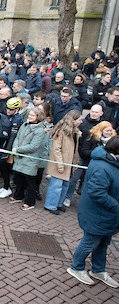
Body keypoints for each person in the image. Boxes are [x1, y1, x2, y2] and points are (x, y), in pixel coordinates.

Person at [66, 137, 119, 288]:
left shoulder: (110, 163)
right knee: (90, 241)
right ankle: (76, 267)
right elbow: (97, 192)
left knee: (103, 242)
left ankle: (98, 270)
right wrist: (116, 206)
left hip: (106, 215)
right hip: (97, 213)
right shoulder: (103, 167)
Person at [65, 119, 114, 207]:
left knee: (89, 183)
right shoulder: (91, 137)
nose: (109, 132)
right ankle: (68, 197)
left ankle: (85, 201)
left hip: (99, 166)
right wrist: (99, 154)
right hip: (85, 162)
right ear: (101, 130)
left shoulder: (113, 141)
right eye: (107, 130)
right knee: (74, 179)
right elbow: (84, 151)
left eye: (110, 130)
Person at [8, 107, 47, 210]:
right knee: (19, 177)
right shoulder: (24, 125)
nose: (29, 116)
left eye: (32, 115)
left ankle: (30, 202)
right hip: (20, 156)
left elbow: (34, 146)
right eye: (29, 114)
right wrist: (15, 148)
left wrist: (18, 149)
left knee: (30, 181)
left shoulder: (40, 131)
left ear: (38, 117)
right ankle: (18, 196)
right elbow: (17, 137)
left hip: (30, 159)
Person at [44, 110, 82, 215]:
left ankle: (59, 203)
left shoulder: (75, 133)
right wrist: (60, 164)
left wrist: (75, 162)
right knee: (56, 186)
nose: (81, 122)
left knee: (65, 185)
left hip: (69, 164)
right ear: (73, 120)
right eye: (79, 120)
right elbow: (56, 149)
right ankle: (50, 205)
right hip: (60, 163)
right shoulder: (61, 132)